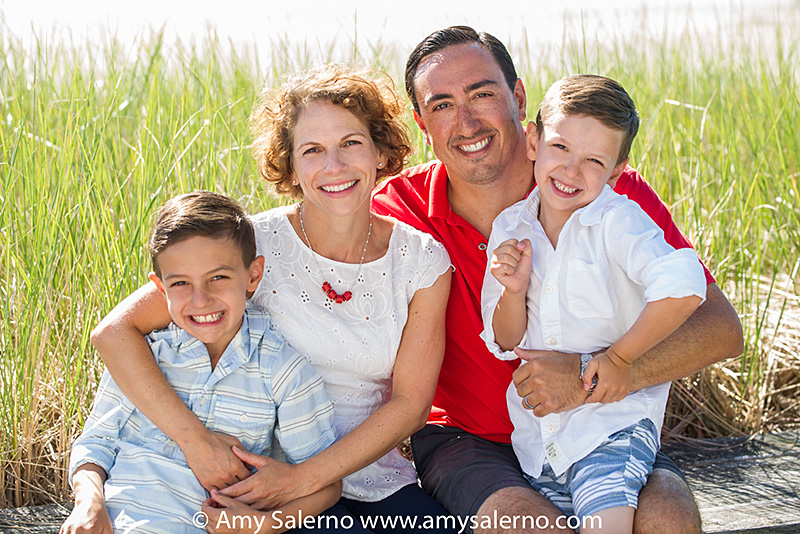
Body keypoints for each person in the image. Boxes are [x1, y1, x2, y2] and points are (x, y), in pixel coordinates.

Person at [369, 26, 743, 534]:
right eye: (442, 105)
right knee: (523, 525)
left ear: (518, 100)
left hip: (601, 422)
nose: (467, 121)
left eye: (482, 94)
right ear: (421, 123)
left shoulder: (606, 192)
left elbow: (721, 328)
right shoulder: (396, 211)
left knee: (668, 517)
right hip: (469, 439)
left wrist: (603, 373)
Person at [89, 65, 454, 533]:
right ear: (291, 165)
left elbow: (410, 405)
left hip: (368, 484)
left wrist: (302, 479)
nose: (334, 166)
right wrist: (195, 441)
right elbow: (115, 332)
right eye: (313, 150)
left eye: (351, 143)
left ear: (380, 151)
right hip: (252, 480)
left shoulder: (421, 260)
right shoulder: (251, 246)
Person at [480, 74, 707, 533]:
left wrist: (620, 358)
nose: (570, 171)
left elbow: (685, 286)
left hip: (612, 427)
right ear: (533, 141)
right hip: (539, 441)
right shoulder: (511, 227)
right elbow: (504, 341)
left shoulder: (617, 223)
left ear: (617, 172)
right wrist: (513, 289)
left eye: (593, 160)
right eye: (560, 148)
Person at [61, 191, 339, 534]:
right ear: (160, 289)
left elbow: (324, 485)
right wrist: (89, 503)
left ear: (253, 275)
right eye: (180, 283)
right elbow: (96, 443)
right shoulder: (144, 355)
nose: (200, 299)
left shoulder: (283, 372)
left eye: (218, 277)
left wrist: (267, 525)